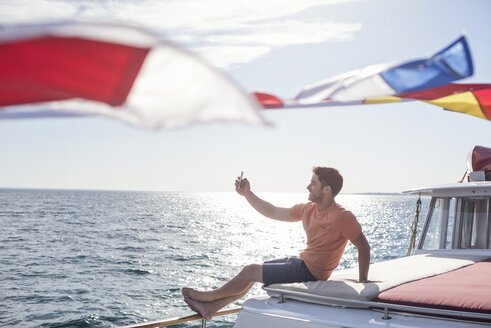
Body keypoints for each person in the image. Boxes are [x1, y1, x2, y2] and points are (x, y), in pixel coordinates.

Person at [182, 167, 370, 320]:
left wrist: (363, 280)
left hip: (312, 272)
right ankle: (212, 308)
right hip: (302, 263)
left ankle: (207, 297)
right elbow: (273, 212)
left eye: (313, 183)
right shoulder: (308, 209)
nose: (308, 187)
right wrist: (247, 194)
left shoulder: (341, 216)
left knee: (250, 271)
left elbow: (363, 246)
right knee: (252, 275)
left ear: (326, 190)